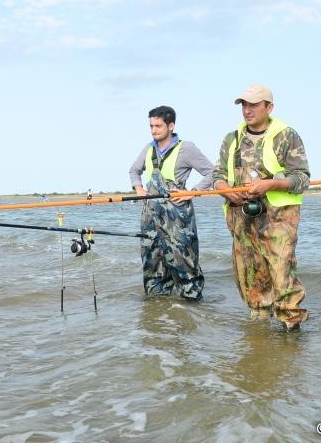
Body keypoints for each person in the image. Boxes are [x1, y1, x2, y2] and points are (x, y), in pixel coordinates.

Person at [212, 84, 310, 331]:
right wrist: (226, 190)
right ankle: (260, 335)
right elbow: (218, 176)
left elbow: (302, 178)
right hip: (241, 220)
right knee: (250, 279)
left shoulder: (286, 136)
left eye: (254, 105)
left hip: (278, 220)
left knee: (281, 272)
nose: (247, 110)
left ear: (269, 107)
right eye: (244, 105)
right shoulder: (231, 139)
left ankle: (292, 330)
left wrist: (270, 184)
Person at [129, 105, 214, 299]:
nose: (153, 130)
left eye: (158, 126)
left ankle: (191, 309)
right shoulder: (148, 149)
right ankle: (157, 308)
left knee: (184, 263)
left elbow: (212, 172)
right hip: (151, 218)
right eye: (151, 126)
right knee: (152, 263)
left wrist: (193, 192)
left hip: (178, 218)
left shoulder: (186, 148)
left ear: (171, 125)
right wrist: (139, 189)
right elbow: (134, 170)